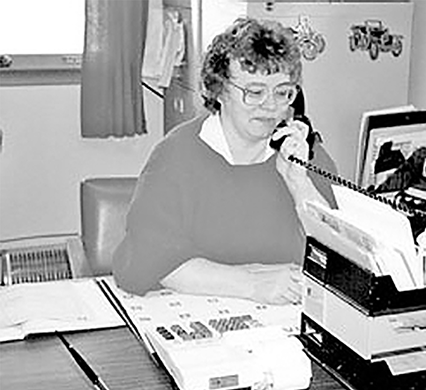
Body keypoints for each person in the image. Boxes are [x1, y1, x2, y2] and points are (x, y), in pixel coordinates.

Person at [112, 17, 338, 305]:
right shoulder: (176, 156)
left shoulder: (305, 153)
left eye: (283, 92)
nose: (270, 106)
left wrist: (299, 184)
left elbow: (341, 260)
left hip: (285, 322)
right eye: (254, 92)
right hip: (202, 320)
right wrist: (251, 284)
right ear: (218, 90)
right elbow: (146, 261)